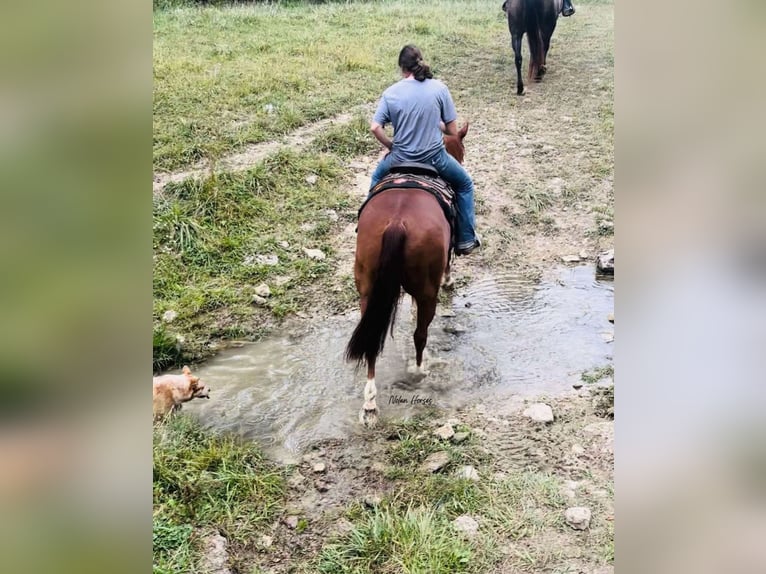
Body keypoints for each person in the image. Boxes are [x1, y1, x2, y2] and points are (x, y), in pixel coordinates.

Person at [368, 45, 481, 256]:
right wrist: (435, 123)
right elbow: (451, 131)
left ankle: (363, 226)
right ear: (421, 61)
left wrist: (391, 146)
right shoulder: (439, 88)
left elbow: (375, 127)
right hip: (434, 158)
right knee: (465, 184)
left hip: (398, 158)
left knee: (375, 180)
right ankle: (466, 238)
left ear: (402, 68)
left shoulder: (391, 92)